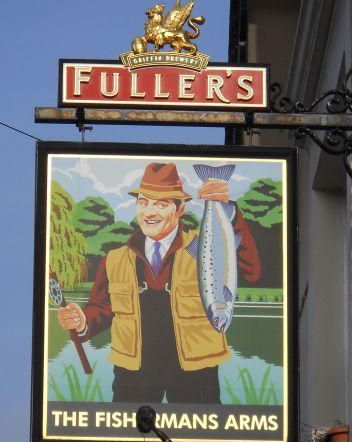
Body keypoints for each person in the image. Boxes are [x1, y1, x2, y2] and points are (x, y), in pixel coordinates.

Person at [57, 162, 260, 403]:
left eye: (160, 204)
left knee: (199, 441)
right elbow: (100, 309)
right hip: (133, 376)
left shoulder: (203, 245)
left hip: (195, 375)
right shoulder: (114, 259)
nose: (149, 212)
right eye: (143, 203)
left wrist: (230, 211)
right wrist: (81, 322)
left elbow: (251, 272)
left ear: (179, 210)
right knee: (127, 441)